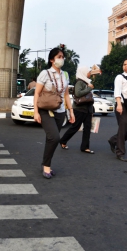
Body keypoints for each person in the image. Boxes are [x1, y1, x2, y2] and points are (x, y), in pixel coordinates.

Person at [33, 46, 75, 178]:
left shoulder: (65, 74)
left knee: (50, 139)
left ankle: (45, 163)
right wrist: (35, 112)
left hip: (60, 111)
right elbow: (37, 93)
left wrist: (71, 112)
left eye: (63, 57)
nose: (61, 59)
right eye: (59, 57)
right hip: (45, 110)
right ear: (52, 60)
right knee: (55, 138)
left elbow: (66, 95)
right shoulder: (45, 73)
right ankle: (46, 166)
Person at [59, 66, 97, 154]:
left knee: (87, 128)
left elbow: (89, 98)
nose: (90, 74)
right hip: (79, 109)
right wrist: (89, 88)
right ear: (83, 72)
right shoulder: (79, 82)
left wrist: (92, 111)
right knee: (75, 127)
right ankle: (63, 141)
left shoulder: (87, 82)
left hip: (87, 109)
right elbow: (78, 93)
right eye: (88, 72)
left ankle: (85, 147)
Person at [108, 58, 127, 162]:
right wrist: (119, 104)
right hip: (122, 105)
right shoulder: (119, 77)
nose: (125, 66)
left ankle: (113, 140)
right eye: (124, 64)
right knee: (122, 130)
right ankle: (120, 153)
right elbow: (117, 91)